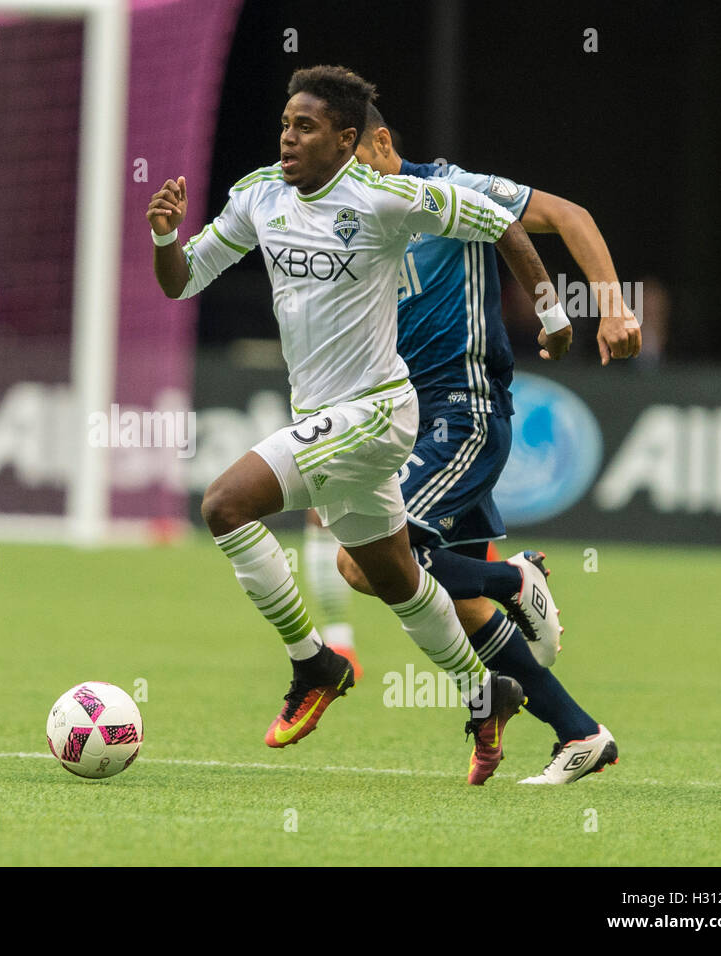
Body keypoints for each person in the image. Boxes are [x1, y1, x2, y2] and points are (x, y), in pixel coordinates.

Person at [148, 66, 575, 783]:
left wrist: (554, 312)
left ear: (347, 140)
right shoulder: (259, 197)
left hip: (377, 414)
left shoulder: (383, 198)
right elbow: (182, 279)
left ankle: (314, 663)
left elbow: (497, 219)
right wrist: (165, 237)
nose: (287, 137)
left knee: (224, 504)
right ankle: (486, 692)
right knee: (400, 580)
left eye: (306, 126)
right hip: (324, 419)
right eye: (285, 123)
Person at [308, 99, 638, 783]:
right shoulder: (357, 218)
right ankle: (580, 734)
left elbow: (569, 216)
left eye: (347, 159)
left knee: (363, 560)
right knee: (452, 600)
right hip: (400, 422)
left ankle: (516, 576)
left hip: (462, 413)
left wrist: (611, 304)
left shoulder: (453, 189)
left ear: (378, 142)